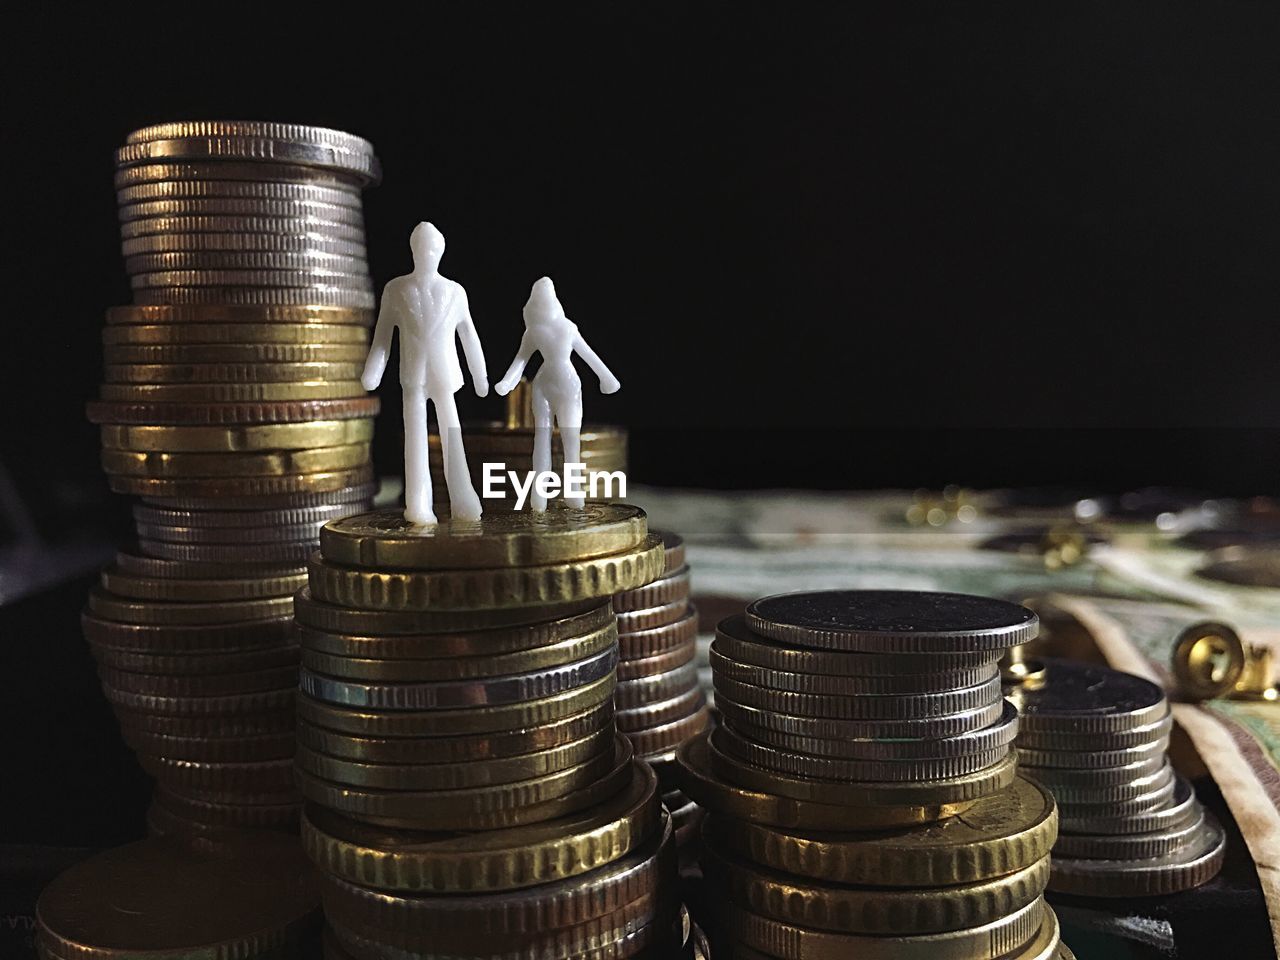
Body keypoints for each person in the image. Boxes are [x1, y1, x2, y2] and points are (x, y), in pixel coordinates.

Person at [361, 223, 488, 525]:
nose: (426, 253)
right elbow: (382, 337)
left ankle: (464, 499)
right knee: (414, 440)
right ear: (412, 249)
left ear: (441, 251)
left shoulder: (455, 291)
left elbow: (469, 335)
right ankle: (418, 504)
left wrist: (479, 376)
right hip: (413, 376)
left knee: (452, 435)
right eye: (420, 247)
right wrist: (373, 371)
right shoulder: (396, 289)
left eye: (431, 247)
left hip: (445, 375)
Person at [495, 277, 620, 511]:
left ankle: (574, 495)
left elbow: (588, 355)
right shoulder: (533, 332)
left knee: (570, 439)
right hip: (542, 386)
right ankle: (539, 498)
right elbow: (520, 361)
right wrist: (507, 382)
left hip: (568, 386)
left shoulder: (567, 328)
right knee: (541, 439)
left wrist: (607, 378)